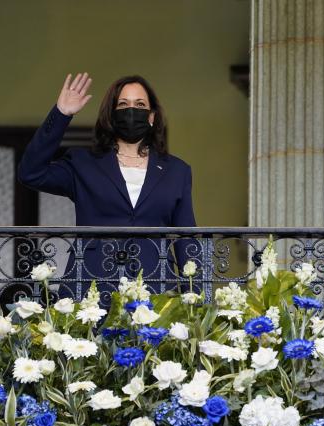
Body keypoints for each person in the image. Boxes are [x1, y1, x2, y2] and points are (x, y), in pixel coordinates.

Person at [18, 73, 197, 301]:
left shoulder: (177, 171)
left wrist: (197, 301)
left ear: (151, 117)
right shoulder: (83, 163)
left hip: (156, 286)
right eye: (123, 104)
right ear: (112, 115)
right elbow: (31, 173)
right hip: (91, 285)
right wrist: (61, 115)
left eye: (140, 105)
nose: (132, 110)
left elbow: (187, 239)